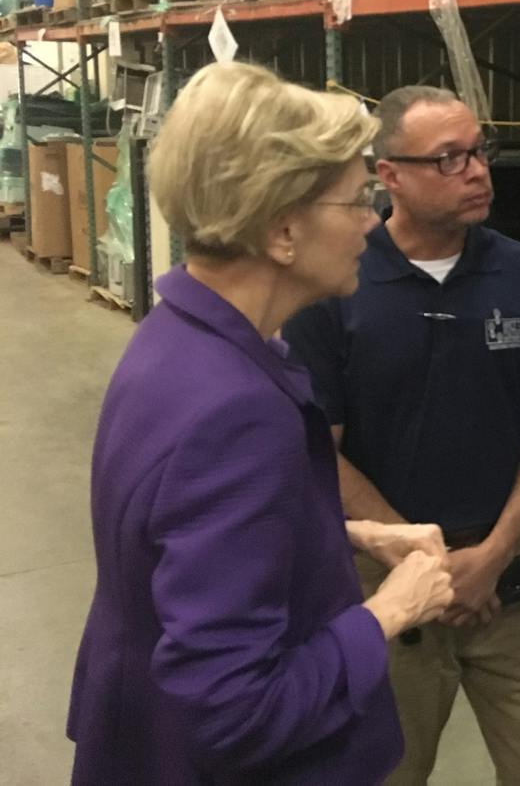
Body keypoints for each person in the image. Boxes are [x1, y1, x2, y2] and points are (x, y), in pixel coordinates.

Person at [67, 62, 455, 785]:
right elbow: (233, 710)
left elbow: (178, 539)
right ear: (282, 230)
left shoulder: (178, 333)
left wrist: (344, 532)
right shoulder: (236, 411)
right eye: (356, 200)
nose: (372, 223)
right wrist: (389, 613)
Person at [283, 85, 520, 786]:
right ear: (389, 177)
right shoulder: (336, 287)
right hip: (386, 581)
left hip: (513, 574)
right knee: (387, 769)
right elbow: (322, 446)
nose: (476, 171)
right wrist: (428, 564)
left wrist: (496, 550)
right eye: (448, 159)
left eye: (479, 152)